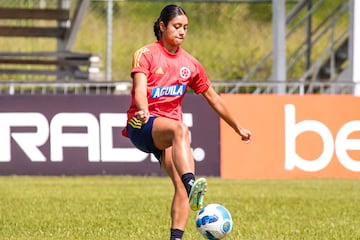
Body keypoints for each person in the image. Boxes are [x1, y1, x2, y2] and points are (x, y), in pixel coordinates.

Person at [122, 4, 252, 240]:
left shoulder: (191, 64)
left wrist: (237, 127)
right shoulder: (146, 54)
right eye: (177, 26)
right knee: (181, 130)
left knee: (181, 186)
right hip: (142, 124)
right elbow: (139, 89)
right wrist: (142, 109)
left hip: (169, 133)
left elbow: (214, 98)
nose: (182, 32)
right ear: (162, 26)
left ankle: (177, 235)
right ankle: (192, 183)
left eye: (185, 28)